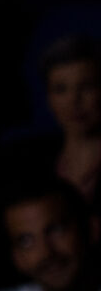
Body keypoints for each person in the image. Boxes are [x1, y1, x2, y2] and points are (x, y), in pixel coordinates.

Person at [16, 34, 101, 203]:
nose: (73, 101)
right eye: (61, 89)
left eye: (87, 86)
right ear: (48, 98)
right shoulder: (29, 164)